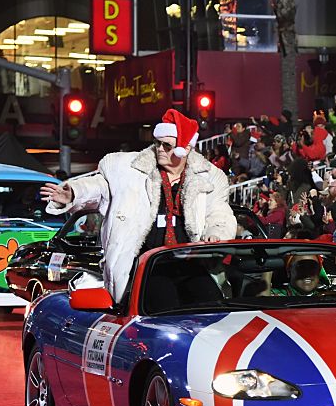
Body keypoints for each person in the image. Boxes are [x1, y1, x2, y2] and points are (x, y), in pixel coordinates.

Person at [40, 108, 236, 299]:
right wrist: (74, 193)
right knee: (163, 299)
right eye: (157, 143)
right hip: (145, 266)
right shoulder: (126, 170)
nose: (160, 149)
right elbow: (98, 186)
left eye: (167, 145)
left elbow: (219, 214)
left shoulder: (208, 178)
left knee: (210, 299)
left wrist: (216, 233)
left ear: (185, 149)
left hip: (190, 265)